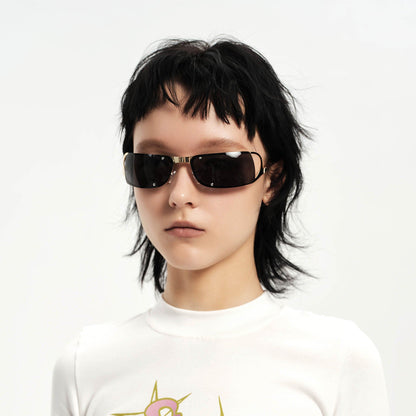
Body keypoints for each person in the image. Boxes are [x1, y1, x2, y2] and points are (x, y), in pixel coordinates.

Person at [51, 38, 390, 415]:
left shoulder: (338, 361)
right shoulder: (86, 366)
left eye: (219, 165)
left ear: (273, 179)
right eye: (153, 165)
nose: (179, 195)